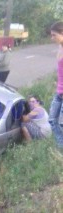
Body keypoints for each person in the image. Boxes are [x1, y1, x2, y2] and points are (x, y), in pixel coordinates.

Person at [48, 21, 63, 149]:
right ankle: (61, 147)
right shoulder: (60, 46)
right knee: (52, 120)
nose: (52, 38)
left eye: (54, 35)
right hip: (59, 92)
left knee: (62, 123)